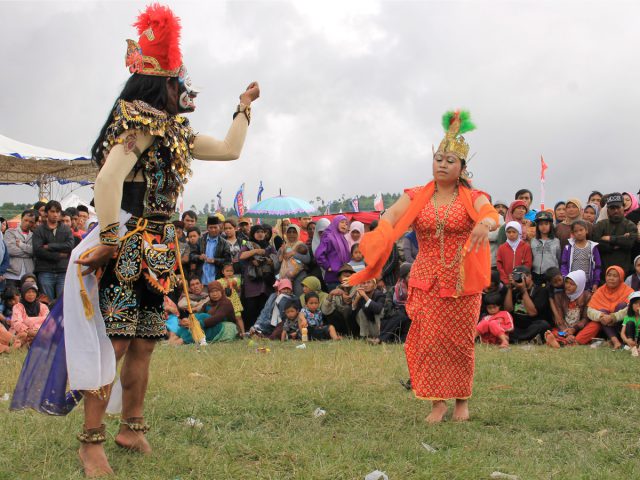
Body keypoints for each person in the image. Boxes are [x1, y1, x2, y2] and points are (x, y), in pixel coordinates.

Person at [11, 6, 259, 477]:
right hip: (128, 244)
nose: (183, 90)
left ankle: (132, 426)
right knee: (117, 343)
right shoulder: (141, 124)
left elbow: (229, 149)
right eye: (176, 82)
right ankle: (91, 442)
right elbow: (107, 181)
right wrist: (108, 238)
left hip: (160, 247)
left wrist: (244, 106)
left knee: (145, 343)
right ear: (158, 84)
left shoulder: (174, 131)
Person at [347, 110, 498, 423]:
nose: (442, 164)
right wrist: (384, 229)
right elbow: (391, 215)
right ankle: (436, 404)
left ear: (462, 168)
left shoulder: (474, 197)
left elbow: (490, 214)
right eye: (438, 158)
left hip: (461, 279)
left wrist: (485, 223)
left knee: (458, 342)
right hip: (425, 277)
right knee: (428, 341)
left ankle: (461, 402)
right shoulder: (416, 195)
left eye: (450, 160)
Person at [577, 266, 634, 347]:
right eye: (609, 275)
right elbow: (590, 311)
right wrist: (601, 316)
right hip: (605, 325)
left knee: (622, 305)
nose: (611, 278)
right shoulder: (600, 291)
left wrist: (613, 317)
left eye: (615, 276)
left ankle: (622, 340)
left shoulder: (628, 291)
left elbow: (632, 308)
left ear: (621, 278)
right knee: (603, 312)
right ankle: (615, 341)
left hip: (622, 325)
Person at [31, 200, 74, 301]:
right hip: (45, 270)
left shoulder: (66, 229)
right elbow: (38, 250)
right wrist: (59, 255)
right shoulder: (39, 230)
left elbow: (70, 246)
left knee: (62, 303)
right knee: (47, 303)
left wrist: (50, 246)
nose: (56, 214)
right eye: (53, 211)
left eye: (58, 212)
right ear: (46, 213)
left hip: (63, 270)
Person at [592, 193, 637, 280]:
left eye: (618, 207)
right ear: (607, 209)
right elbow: (596, 244)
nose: (615, 210)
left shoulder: (630, 225)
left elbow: (630, 242)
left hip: (625, 275)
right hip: (603, 276)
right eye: (612, 208)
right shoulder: (600, 225)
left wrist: (610, 238)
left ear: (623, 207)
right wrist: (618, 243)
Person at [239, 225, 276, 330]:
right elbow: (241, 256)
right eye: (257, 232)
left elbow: (276, 260)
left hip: (265, 282)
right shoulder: (248, 244)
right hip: (252, 282)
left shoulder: (269, 247)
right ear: (253, 234)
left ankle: (261, 330)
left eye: (262, 232)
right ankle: (249, 329)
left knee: (263, 307)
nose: (260, 234)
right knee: (251, 308)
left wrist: (268, 260)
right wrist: (255, 252)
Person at [504, 266, 552, 343]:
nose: (518, 279)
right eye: (515, 276)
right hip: (517, 326)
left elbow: (532, 313)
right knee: (504, 324)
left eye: (521, 276)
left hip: (532, 325)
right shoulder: (514, 290)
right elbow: (508, 310)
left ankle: (518, 339)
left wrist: (523, 291)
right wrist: (509, 288)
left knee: (544, 325)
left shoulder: (541, 290)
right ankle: (527, 339)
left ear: (530, 277)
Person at [545, 270, 590, 347]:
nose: (567, 286)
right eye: (566, 282)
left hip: (579, 329)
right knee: (554, 331)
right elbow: (559, 319)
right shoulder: (559, 295)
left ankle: (568, 341)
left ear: (580, 285)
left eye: (572, 284)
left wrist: (573, 329)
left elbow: (585, 319)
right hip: (564, 330)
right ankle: (566, 340)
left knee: (593, 327)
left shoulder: (587, 296)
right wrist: (567, 333)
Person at [373, 262, 412, 344]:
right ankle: (384, 339)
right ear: (404, 277)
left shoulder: (416, 291)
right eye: (409, 277)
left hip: (408, 322)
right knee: (401, 314)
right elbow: (388, 309)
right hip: (393, 322)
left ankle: (383, 339)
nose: (412, 279)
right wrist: (398, 312)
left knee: (404, 316)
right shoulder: (394, 290)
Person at [560, 220, 601, 292]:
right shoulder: (568, 248)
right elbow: (564, 264)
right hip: (572, 284)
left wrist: (595, 282)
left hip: (588, 284)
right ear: (572, 233)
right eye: (576, 231)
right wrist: (565, 278)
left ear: (586, 231)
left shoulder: (593, 247)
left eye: (581, 230)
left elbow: (597, 266)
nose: (579, 233)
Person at [315, 215, 351, 290]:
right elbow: (319, 254)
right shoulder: (328, 236)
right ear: (335, 223)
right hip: (333, 277)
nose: (345, 224)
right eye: (342, 222)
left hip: (343, 276)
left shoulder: (342, 237)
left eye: (346, 223)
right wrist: (327, 266)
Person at [321, 264, 356, 336]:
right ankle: (340, 334)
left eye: (349, 276)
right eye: (345, 276)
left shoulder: (358, 288)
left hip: (355, 321)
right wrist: (330, 295)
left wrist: (349, 299)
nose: (347, 278)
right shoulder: (336, 290)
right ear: (340, 279)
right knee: (331, 314)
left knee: (348, 309)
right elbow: (325, 311)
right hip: (342, 322)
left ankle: (355, 334)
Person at [275, 224, 309, 296]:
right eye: (289, 232)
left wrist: (293, 254)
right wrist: (281, 255)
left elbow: (307, 260)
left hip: (299, 277)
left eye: (294, 232)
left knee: (298, 297)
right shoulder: (283, 247)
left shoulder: (302, 245)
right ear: (286, 234)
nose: (291, 234)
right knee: (286, 299)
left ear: (298, 233)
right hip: (284, 278)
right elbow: (276, 266)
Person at [496, 221, 532, 286]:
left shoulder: (525, 247)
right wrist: (505, 279)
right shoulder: (502, 247)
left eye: (514, 232)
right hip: (506, 282)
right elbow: (499, 265)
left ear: (519, 232)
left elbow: (527, 264)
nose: (511, 234)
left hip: (521, 282)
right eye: (508, 232)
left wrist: (519, 278)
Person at [530, 211, 561, 285]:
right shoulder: (533, 241)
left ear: (551, 225)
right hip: (536, 274)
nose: (544, 226)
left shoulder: (556, 241)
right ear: (537, 226)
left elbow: (558, 258)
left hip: (551, 274)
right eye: (541, 224)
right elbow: (531, 257)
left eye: (546, 224)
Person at [200, 216, 231, 285]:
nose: (213, 230)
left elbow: (228, 260)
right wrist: (199, 257)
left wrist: (214, 260)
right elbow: (192, 255)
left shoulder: (224, 243)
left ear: (219, 228)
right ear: (207, 228)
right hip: (201, 281)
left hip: (217, 280)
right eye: (211, 227)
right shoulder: (200, 241)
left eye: (215, 227)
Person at [218, 263, 245, 337]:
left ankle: (243, 333)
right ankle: (232, 334)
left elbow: (238, 288)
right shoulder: (219, 281)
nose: (229, 273)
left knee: (238, 317)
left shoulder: (236, 279)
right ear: (223, 272)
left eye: (231, 271)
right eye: (227, 271)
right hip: (225, 303)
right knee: (226, 318)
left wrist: (232, 283)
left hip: (234, 301)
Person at [621, 291, 640, 356]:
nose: (638, 305)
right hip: (631, 339)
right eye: (636, 303)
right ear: (631, 305)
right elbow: (622, 333)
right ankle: (633, 348)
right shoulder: (628, 317)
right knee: (630, 323)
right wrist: (627, 340)